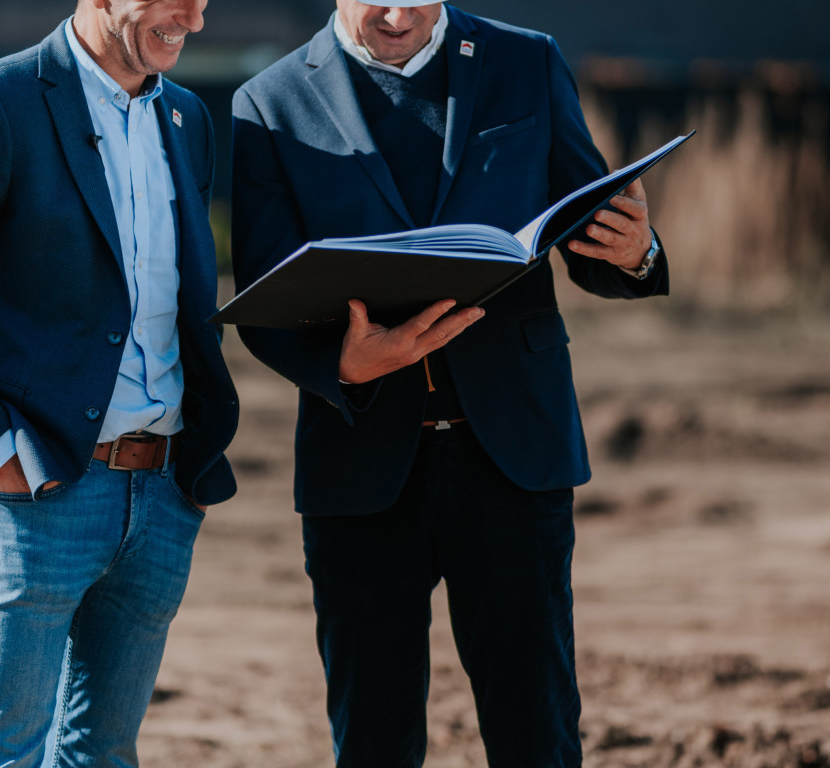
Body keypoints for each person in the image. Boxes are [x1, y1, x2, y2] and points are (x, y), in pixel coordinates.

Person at [230, 1, 668, 766]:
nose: (397, 14)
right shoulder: (268, 102)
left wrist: (636, 253)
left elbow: (591, 228)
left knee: (537, 730)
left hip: (512, 458)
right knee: (373, 737)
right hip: (361, 467)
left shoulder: (525, 61)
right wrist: (343, 366)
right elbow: (263, 300)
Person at [0, 0, 238, 765]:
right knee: (0, 754)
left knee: (102, 754)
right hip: (27, 498)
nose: (190, 15)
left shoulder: (186, 115)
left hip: (159, 496)